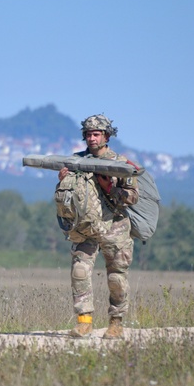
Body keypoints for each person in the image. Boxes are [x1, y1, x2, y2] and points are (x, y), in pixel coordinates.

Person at [57, 114, 139, 339]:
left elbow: (133, 197)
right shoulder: (76, 161)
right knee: (80, 271)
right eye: (88, 134)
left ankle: (116, 323)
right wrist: (63, 179)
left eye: (96, 134)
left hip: (115, 226)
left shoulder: (121, 163)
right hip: (86, 227)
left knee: (116, 277)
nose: (92, 139)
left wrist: (111, 189)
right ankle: (84, 322)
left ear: (106, 136)